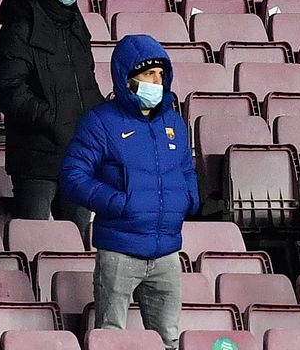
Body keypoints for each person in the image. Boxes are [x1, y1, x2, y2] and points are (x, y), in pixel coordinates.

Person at [61, 34, 199, 349]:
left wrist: (188, 199)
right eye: (149, 74)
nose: (157, 81)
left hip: (167, 253)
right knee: (111, 338)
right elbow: (72, 175)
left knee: (169, 340)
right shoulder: (100, 121)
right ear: (127, 78)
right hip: (120, 251)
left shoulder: (174, 123)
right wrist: (120, 203)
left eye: (161, 74)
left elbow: (187, 169)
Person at [0, 0, 103, 234]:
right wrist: (52, 118)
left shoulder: (75, 22)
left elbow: (85, 83)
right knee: (33, 242)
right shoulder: (22, 22)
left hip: (77, 158)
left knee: (75, 244)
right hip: (35, 159)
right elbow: (6, 87)